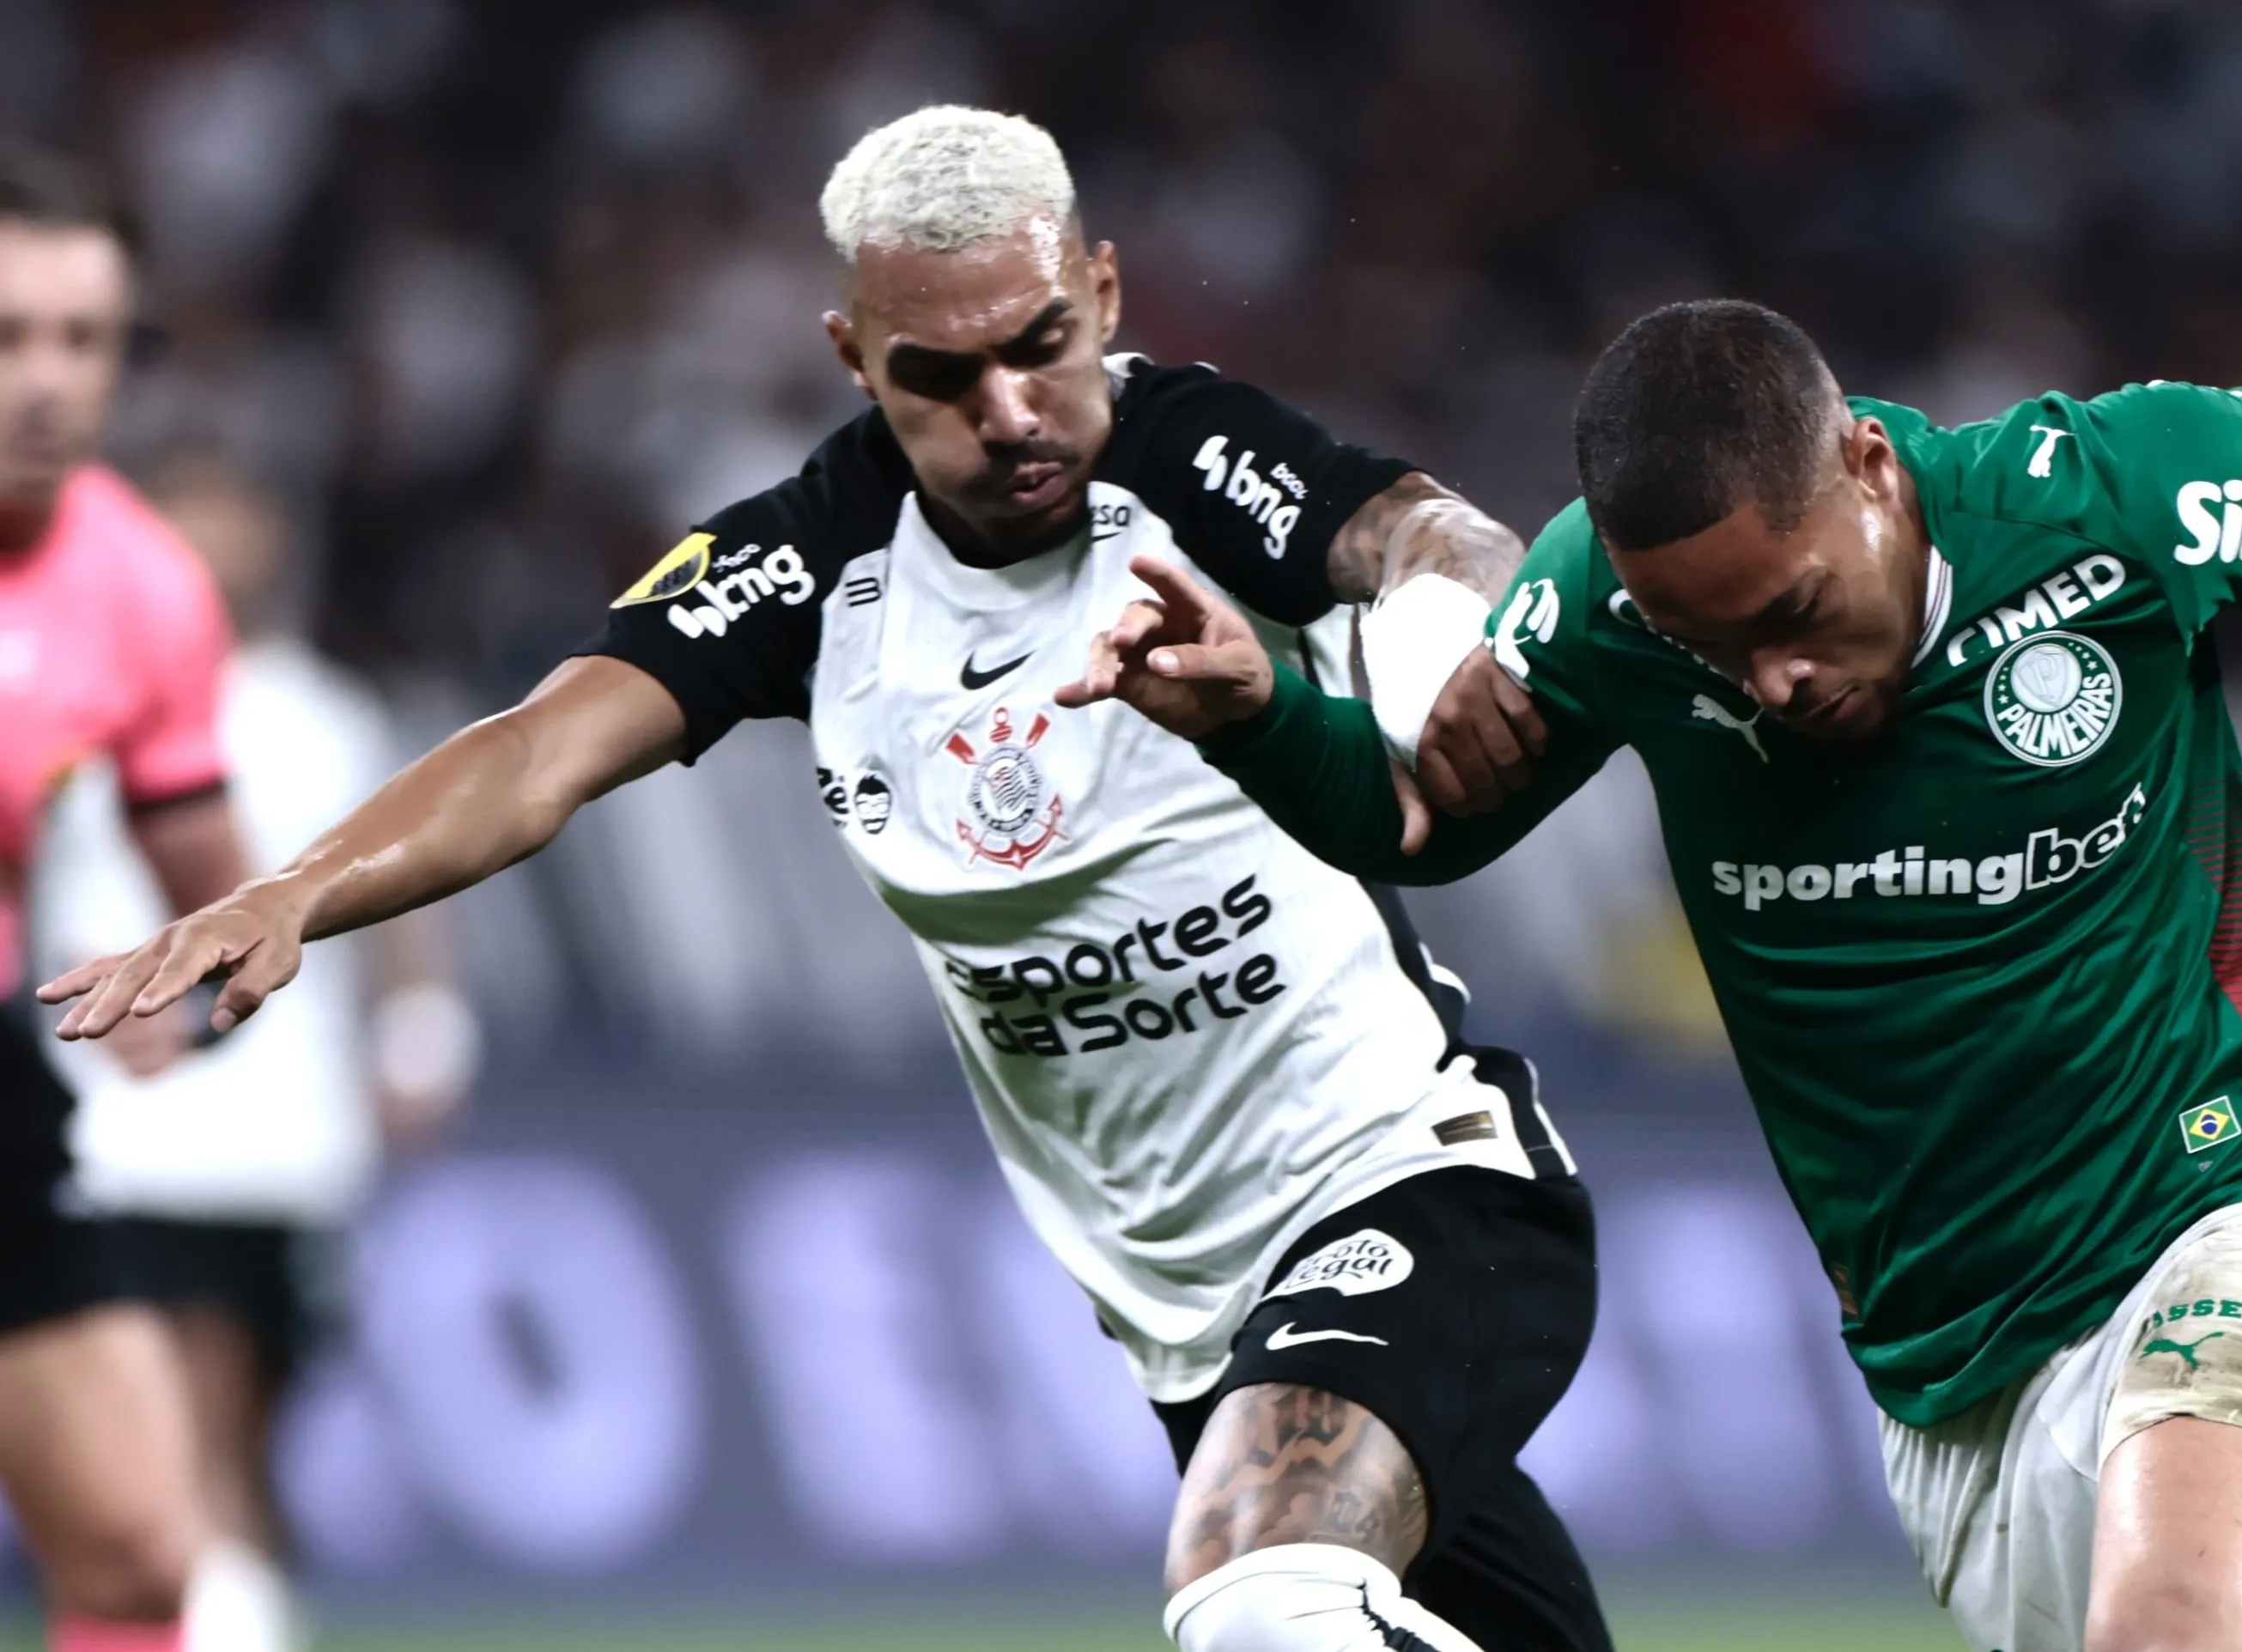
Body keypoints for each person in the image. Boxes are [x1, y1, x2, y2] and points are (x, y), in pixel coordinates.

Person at [1067, 300, 2242, 1652]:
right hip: (1957, 1388)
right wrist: (1256, 715)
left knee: (2176, 1631)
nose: (1767, 682)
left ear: (1868, 467)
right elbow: (1421, 815)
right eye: (1710, 646)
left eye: (1790, 613)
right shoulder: (1603, 615)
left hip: (2221, 1221)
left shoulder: (2112, 500)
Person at [44, 107, 1609, 1652]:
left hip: (1411, 1188)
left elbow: (1432, 538)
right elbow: (537, 751)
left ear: (1104, 292)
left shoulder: (1195, 459)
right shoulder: (811, 561)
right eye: (941, 374)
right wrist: (293, 891)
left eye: (1042, 346)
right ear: (853, 355)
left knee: (1256, 1606)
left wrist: (1443, 661)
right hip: (1189, 1319)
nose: (1010, 411)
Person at [32, 449, 476, 1652]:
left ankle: (235, 1609)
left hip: (286, 1137)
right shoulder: (75, 693)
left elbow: (405, 901)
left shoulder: (329, 716)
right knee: (182, 1417)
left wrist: (422, 1038)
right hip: (117, 1133)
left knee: (243, 1431)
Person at [0, 141, 251, 1652]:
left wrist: (190, 998)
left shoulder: (144, 589)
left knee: (145, 1554)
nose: (48, 383)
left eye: (85, 341)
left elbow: (224, 910)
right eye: (8, 337)